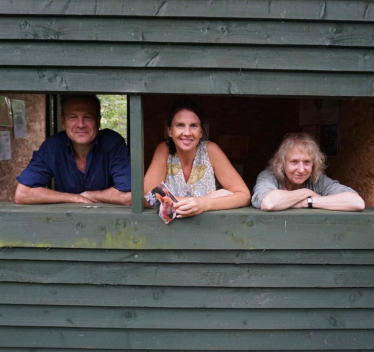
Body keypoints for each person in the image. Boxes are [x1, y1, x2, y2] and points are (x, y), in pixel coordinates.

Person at [15, 94, 131, 205]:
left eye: (88, 117)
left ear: (98, 121)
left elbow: (129, 196)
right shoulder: (53, 146)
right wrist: (75, 198)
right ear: (63, 122)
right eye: (73, 117)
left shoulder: (112, 143)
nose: (80, 124)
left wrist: (92, 195)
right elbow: (23, 193)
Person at [144, 99, 251, 218]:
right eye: (180, 125)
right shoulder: (164, 149)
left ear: (201, 132)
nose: (187, 132)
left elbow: (244, 195)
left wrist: (204, 204)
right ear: (169, 131)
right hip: (170, 231)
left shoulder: (210, 150)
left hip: (208, 229)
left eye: (193, 126)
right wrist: (203, 198)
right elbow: (148, 197)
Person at [252, 132, 365, 211]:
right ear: (282, 163)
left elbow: (356, 202)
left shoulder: (317, 179)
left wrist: (308, 202)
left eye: (306, 162)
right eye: (294, 162)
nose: (301, 169)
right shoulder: (268, 176)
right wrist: (306, 192)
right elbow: (268, 202)